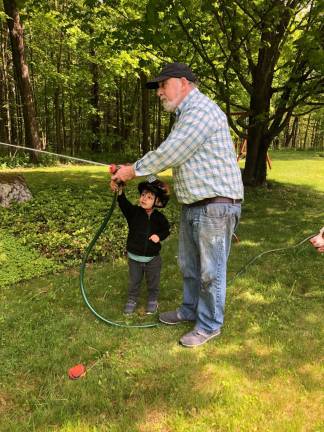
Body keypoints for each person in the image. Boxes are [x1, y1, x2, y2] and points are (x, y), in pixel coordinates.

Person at [111, 62, 244, 347]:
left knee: (211, 271)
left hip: (216, 206)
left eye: (162, 84)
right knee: (189, 265)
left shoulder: (200, 110)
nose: (159, 91)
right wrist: (132, 171)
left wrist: (132, 170)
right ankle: (189, 310)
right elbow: (182, 158)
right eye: (157, 86)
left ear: (183, 82)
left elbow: (172, 151)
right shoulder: (186, 115)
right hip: (195, 205)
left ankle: (209, 325)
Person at [115, 176, 170, 314]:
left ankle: (152, 299)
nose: (144, 198)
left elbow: (166, 230)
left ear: (157, 201)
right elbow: (123, 203)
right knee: (134, 281)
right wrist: (120, 190)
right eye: (143, 195)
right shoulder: (134, 213)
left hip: (152, 259)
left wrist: (159, 236)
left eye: (149, 197)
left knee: (153, 281)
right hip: (134, 258)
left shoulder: (160, 218)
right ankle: (132, 299)